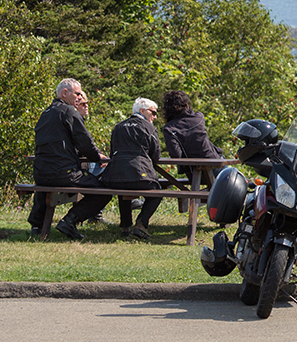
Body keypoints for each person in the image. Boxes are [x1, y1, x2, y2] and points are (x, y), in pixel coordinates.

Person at [28, 78, 107, 239]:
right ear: (65, 93)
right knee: (104, 191)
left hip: (40, 173)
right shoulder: (69, 112)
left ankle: (37, 225)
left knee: (47, 186)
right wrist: (98, 157)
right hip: (64, 173)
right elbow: (85, 142)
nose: (80, 97)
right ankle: (69, 221)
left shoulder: (45, 113)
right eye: (77, 93)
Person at [101, 97, 166, 239]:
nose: (155, 117)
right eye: (153, 113)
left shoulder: (118, 126)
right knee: (157, 192)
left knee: (123, 187)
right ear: (142, 111)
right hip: (139, 174)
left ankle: (125, 226)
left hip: (114, 175)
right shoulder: (148, 127)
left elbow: (112, 152)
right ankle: (141, 224)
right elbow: (156, 155)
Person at [161, 90, 223, 182]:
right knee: (227, 173)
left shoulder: (169, 128)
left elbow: (176, 155)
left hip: (193, 173)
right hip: (215, 167)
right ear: (186, 105)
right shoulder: (199, 118)